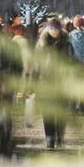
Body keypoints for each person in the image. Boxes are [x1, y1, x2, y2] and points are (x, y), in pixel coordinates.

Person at [36, 18, 74, 149]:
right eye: (51, 28)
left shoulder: (67, 43)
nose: (53, 31)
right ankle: (50, 140)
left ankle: (60, 137)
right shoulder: (41, 44)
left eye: (56, 29)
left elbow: (71, 62)